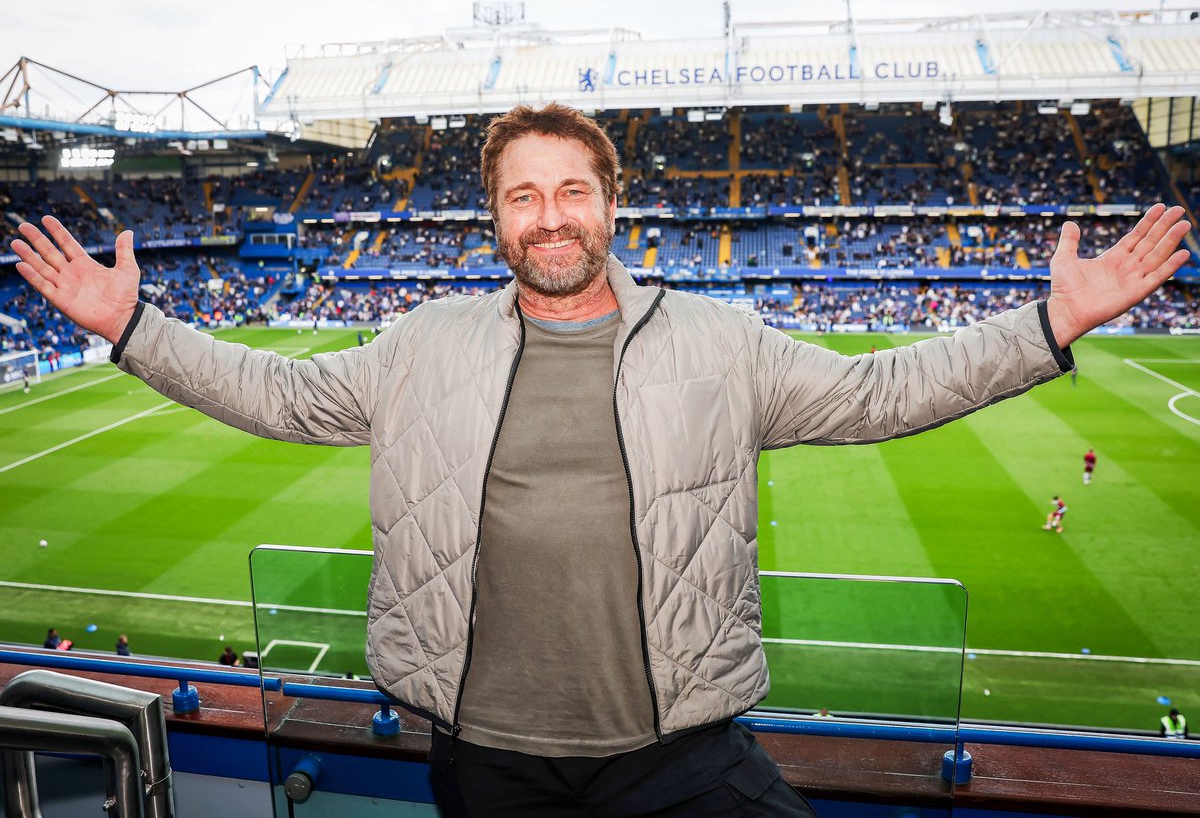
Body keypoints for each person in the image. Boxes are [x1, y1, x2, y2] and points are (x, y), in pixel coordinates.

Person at [10, 103, 1192, 818]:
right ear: (496, 220)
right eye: (523, 195)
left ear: (612, 204)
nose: (550, 213)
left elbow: (884, 391)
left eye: (571, 188)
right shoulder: (421, 344)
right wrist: (132, 328)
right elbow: (275, 392)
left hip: (676, 755)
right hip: (487, 758)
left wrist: (1050, 327)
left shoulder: (722, 343)